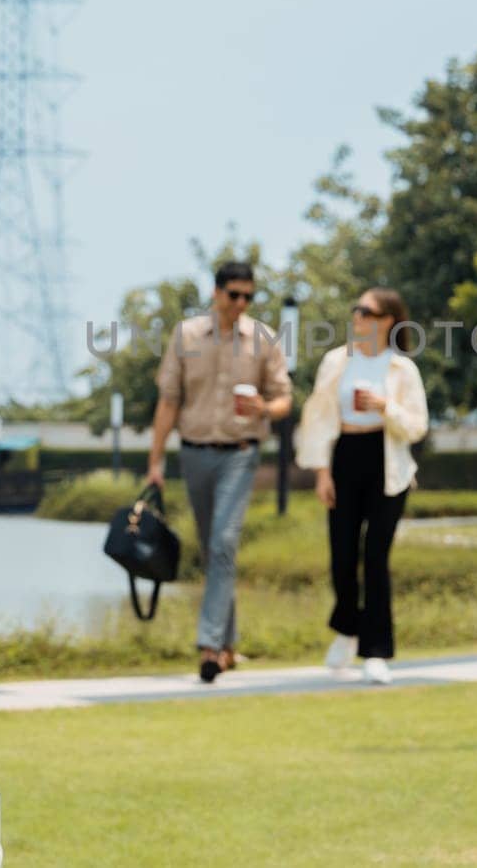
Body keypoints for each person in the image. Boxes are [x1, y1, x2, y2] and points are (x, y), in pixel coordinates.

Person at [148, 261, 292, 683]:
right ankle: (228, 646)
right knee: (214, 550)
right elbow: (168, 402)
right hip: (193, 455)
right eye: (234, 294)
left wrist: (264, 408)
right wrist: (154, 461)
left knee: (224, 541)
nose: (242, 303)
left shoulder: (264, 338)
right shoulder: (186, 336)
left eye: (249, 296)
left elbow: (284, 398)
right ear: (216, 293)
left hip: (240, 454)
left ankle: (209, 646)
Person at [295, 287, 428, 684]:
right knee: (341, 554)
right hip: (345, 457)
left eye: (366, 311)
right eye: (356, 310)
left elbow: (417, 427)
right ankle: (347, 629)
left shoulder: (402, 370)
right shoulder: (336, 361)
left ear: (387, 319)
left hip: (387, 463)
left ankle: (376, 651)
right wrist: (321, 471)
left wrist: (385, 407)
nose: (357, 317)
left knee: (376, 558)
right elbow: (317, 418)